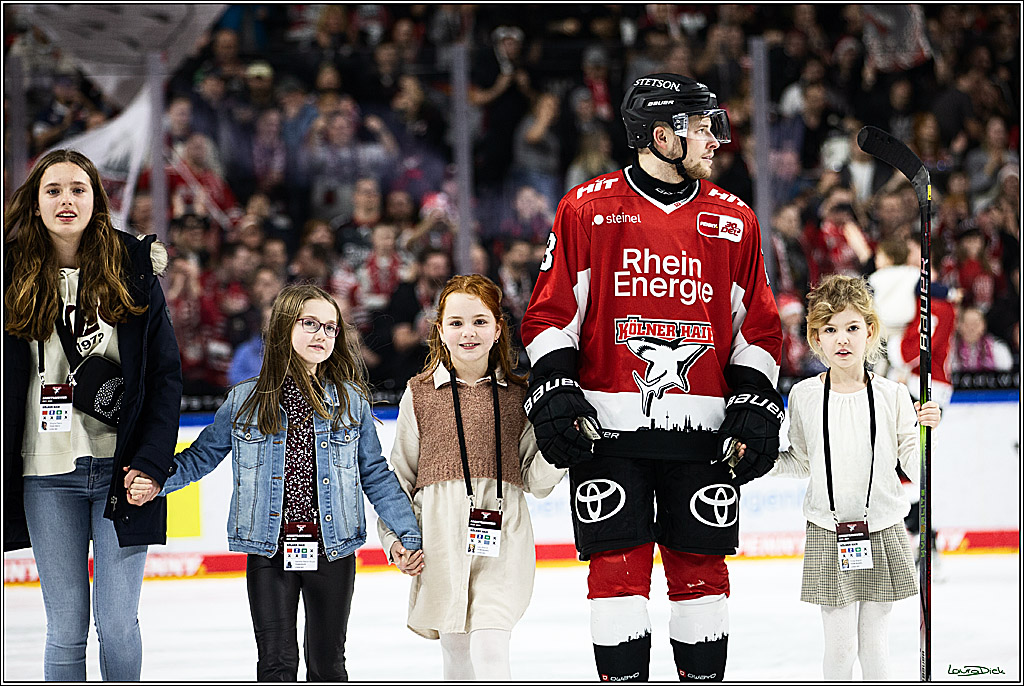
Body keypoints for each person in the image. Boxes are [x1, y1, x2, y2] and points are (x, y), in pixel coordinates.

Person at [519, 73, 784, 681]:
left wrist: (752, 400)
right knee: (616, 576)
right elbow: (550, 314)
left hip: (705, 434)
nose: (715, 140)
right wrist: (555, 385)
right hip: (606, 433)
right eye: (702, 128)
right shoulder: (586, 209)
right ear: (662, 136)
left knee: (702, 575)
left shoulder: (736, 219)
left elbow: (758, 327)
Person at [130, 284, 423, 680]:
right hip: (268, 550)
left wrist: (407, 534)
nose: (322, 335)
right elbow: (201, 457)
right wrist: (155, 481)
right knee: (275, 665)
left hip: (333, 549)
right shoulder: (245, 400)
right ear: (286, 325)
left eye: (330, 327)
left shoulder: (350, 400)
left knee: (328, 667)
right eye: (310, 324)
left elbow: (374, 474)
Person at [3, 149, 183, 680]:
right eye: (53, 190)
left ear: (96, 201)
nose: (66, 200)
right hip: (44, 473)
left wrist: (152, 462)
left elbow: (165, 376)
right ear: (35, 203)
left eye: (78, 189)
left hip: (123, 471)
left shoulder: (133, 267)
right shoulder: (8, 273)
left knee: (118, 624)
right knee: (65, 628)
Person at [378, 274, 566, 680]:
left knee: (491, 647)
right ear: (440, 330)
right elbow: (401, 477)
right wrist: (395, 540)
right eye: (457, 322)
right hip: (440, 538)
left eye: (480, 321)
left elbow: (537, 481)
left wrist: (561, 450)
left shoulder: (519, 395)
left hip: (505, 537)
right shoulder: (419, 393)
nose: (469, 332)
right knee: (458, 658)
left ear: (498, 329)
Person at [766, 274, 941, 680]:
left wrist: (928, 434)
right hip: (829, 532)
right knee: (840, 648)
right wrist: (759, 462)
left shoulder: (892, 395)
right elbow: (801, 462)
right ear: (816, 337)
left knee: (874, 645)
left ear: (870, 331)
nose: (842, 339)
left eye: (852, 328)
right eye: (830, 330)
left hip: (883, 527)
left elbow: (915, 465)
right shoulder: (805, 395)